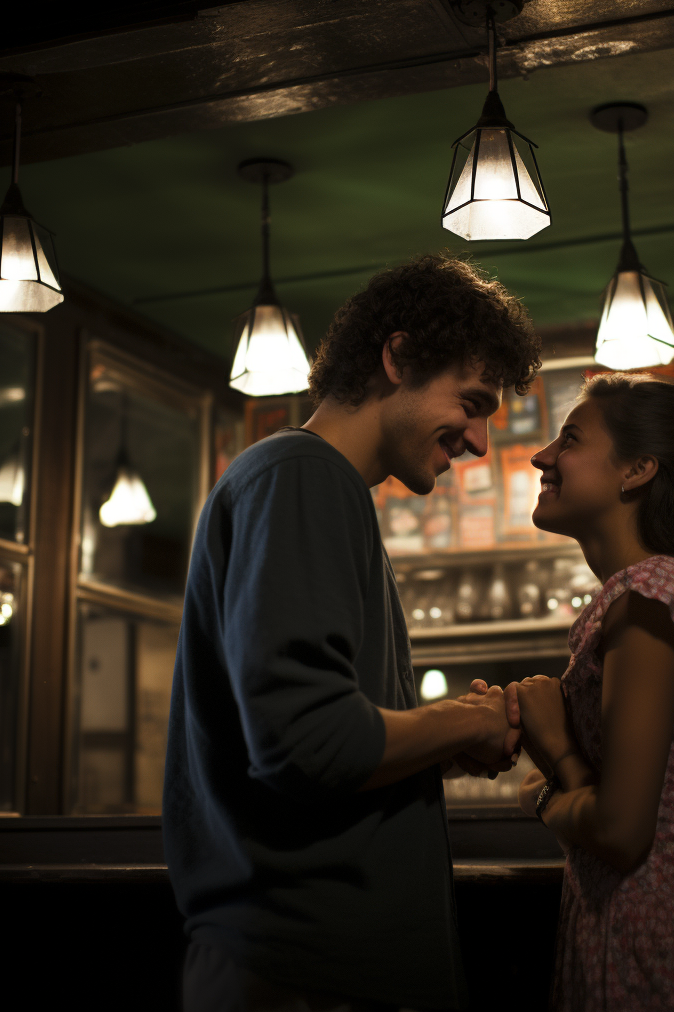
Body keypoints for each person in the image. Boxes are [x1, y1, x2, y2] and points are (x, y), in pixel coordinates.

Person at [163, 254, 540, 1012]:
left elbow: (313, 742)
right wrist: (461, 718)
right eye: (470, 404)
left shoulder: (302, 483)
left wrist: (441, 741)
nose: (477, 443)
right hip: (310, 971)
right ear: (397, 358)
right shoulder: (301, 476)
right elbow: (309, 744)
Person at [505, 372, 674, 1011]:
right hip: (637, 931)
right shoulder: (648, 593)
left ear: (637, 470)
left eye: (568, 439)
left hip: (647, 942)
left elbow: (622, 831)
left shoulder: (653, 595)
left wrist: (549, 781)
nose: (541, 456)